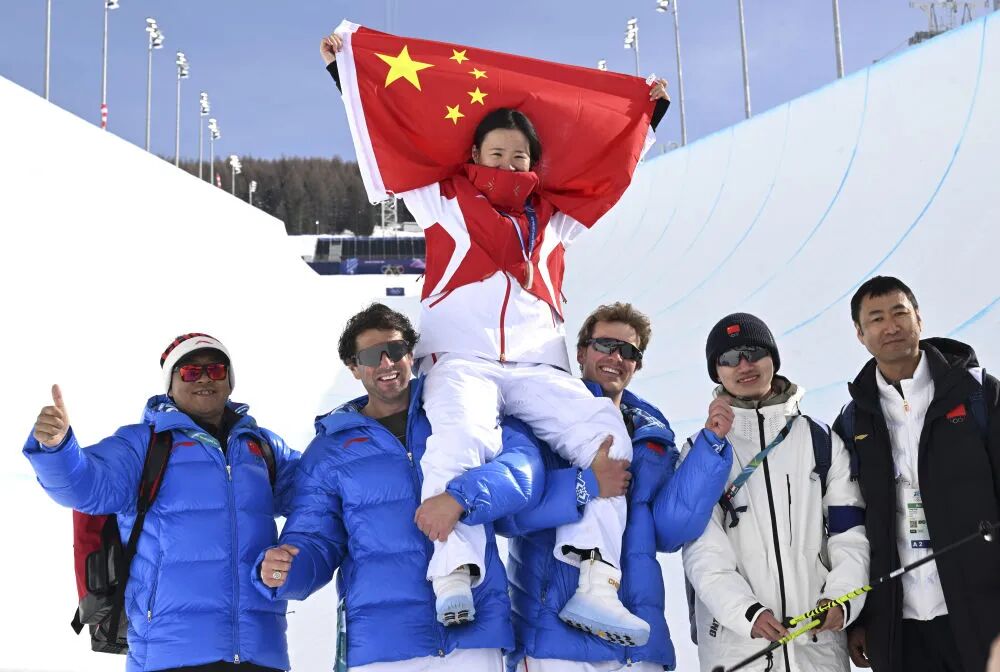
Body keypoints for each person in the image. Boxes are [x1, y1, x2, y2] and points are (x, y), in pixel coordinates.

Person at [321, 30, 670, 646]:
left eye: (519, 157)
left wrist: (648, 116)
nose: (509, 166)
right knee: (461, 438)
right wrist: (346, 74)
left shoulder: (553, 221)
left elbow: (607, 177)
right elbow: (393, 136)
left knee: (607, 435)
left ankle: (596, 583)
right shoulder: (442, 203)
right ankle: (453, 571)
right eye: (497, 153)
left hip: (538, 367)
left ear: (534, 165)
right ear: (475, 155)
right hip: (462, 359)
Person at [253, 304, 544, 672]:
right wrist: (288, 569)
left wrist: (460, 498)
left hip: (473, 631)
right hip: (383, 643)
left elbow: (524, 468)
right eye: (371, 356)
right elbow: (315, 537)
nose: (386, 363)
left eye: (396, 349)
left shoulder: (461, 405)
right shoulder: (328, 451)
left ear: (411, 354)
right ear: (353, 367)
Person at [25, 333, 300, 672]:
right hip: (168, 654)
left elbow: (320, 493)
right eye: (190, 371)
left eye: (215, 369)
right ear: (170, 385)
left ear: (230, 381)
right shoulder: (143, 445)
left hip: (261, 653)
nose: (204, 378)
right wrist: (57, 447)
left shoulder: (263, 448)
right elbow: (83, 487)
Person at [498, 302, 734, 672]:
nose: (616, 358)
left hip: (636, 643)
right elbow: (509, 515)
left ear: (638, 364)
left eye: (628, 351)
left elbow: (669, 532)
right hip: (553, 641)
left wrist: (710, 448)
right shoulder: (535, 418)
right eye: (605, 345)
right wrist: (585, 485)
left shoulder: (652, 434)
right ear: (580, 352)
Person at [683, 313, 869, 672]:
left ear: (773, 359)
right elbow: (702, 551)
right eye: (729, 358)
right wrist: (746, 612)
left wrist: (842, 599)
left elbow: (850, 534)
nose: (744, 365)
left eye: (754, 352)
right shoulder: (701, 450)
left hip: (817, 646)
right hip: (739, 650)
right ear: (716, 372)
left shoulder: (820, 440)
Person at [838, 276, 1000, 672]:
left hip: (983, 614)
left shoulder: (978, 394)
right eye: (876, 319)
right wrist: (859, 619)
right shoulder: (854, 420)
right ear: (860, 333)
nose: (891, 326)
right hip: (898, 625)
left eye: (900, 313)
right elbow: (851, 526)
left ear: (919, 319)